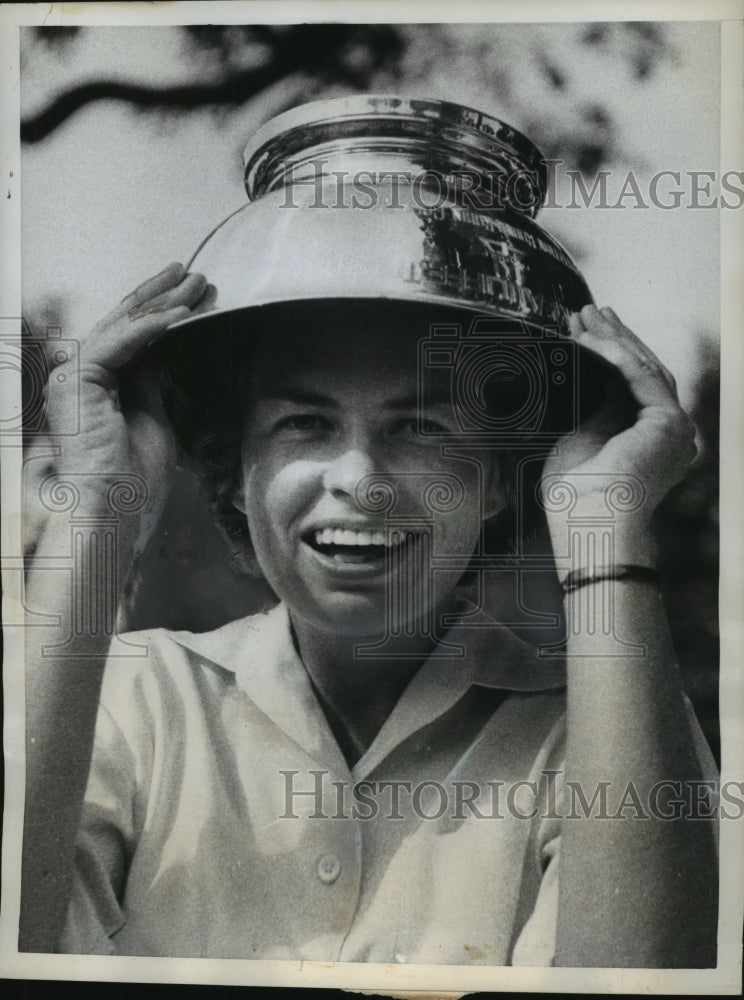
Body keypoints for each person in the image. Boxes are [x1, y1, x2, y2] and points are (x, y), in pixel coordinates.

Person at [20, 259, 718, 967]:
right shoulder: (136, 700)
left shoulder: (611, 722)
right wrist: (98, 507)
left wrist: (603, 525)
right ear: (237, 473)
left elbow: (639, 981)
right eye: (305, 422)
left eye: (421, 426)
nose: (358, 479)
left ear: (499, 482)